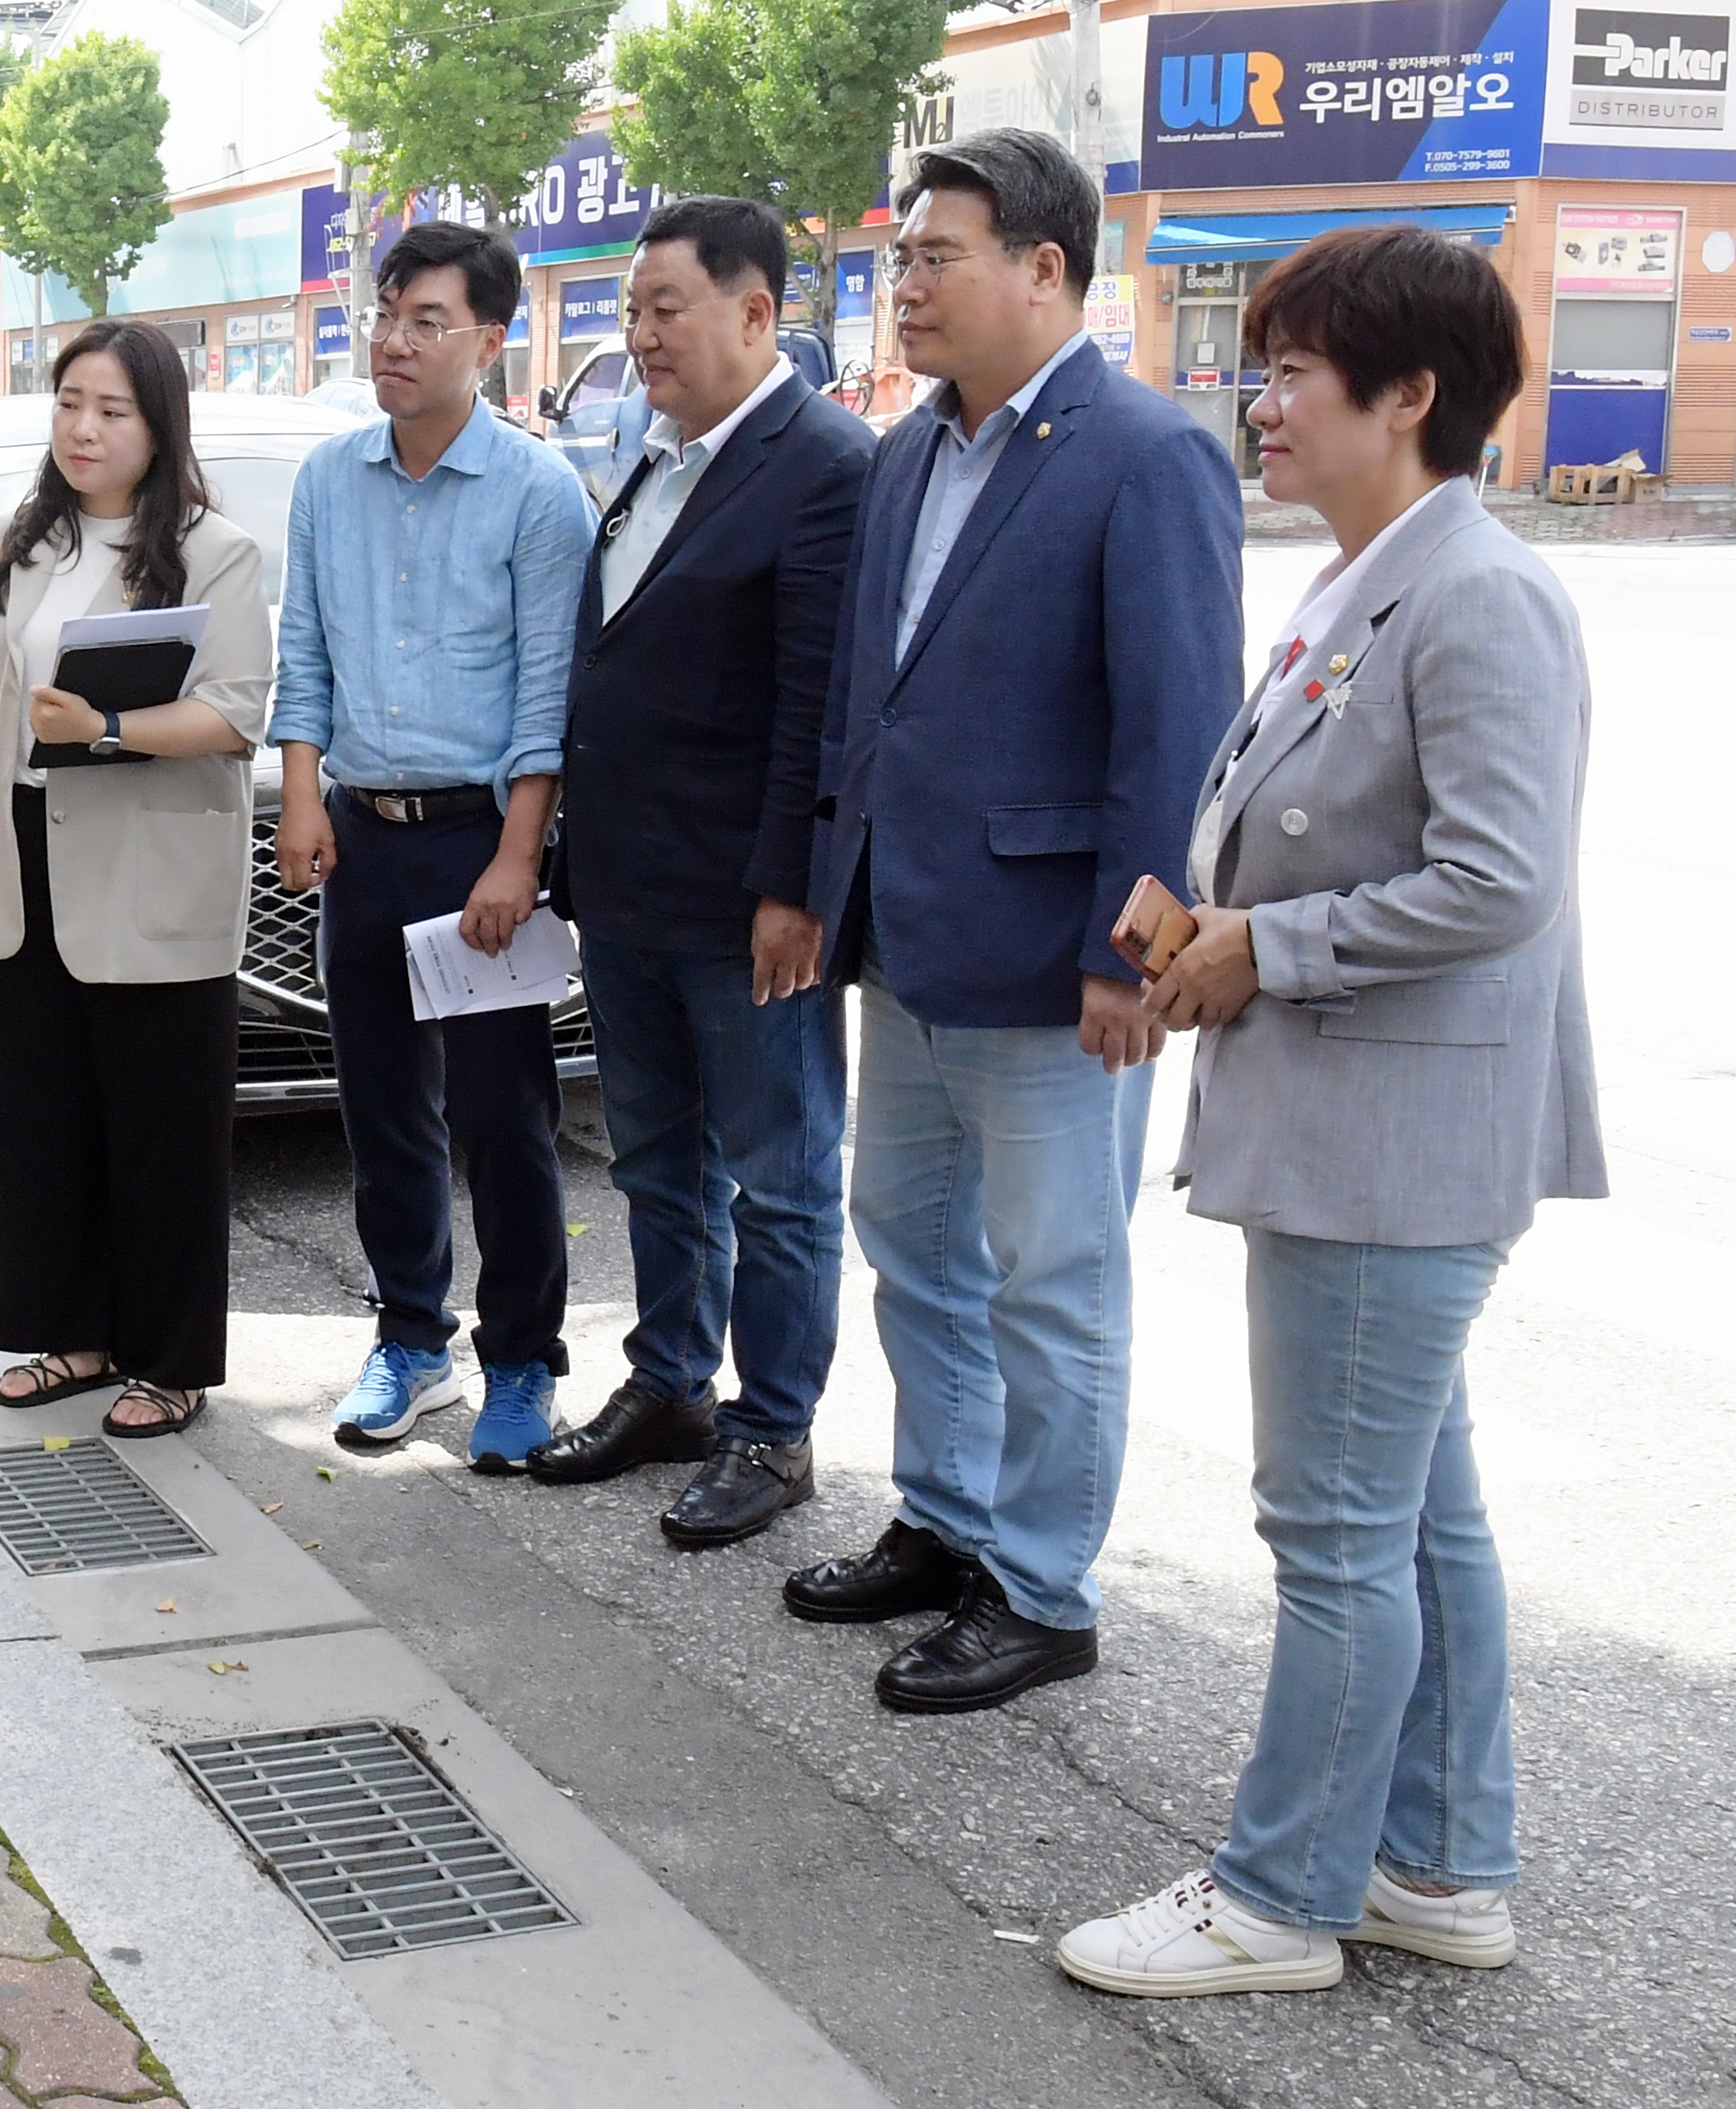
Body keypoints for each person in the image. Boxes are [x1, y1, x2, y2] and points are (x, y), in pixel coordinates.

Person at [1057, 225, 1602, 1996]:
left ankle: (1282, 1895)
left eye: (1291, 370)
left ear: (1411, 395)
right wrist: (1202, 931)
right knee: (1416, 1515)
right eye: (1263, 365)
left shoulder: (1478, 592)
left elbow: (1498, 882)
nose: (1258, 399)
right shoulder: (1370, 574)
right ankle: (1439, 1863)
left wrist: (1263, 949)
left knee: (1339, 1537)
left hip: (1396, 1145)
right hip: (1357, 1127)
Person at [795, 127, 1242, 1713]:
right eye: (897, 258)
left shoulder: (1144, 452)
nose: (900, 285)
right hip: (907, 938)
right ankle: (949, 1516)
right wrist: (816, 893)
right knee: (911, 1241)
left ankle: (1043, 1587)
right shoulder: (910, 448)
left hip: (1061, 963)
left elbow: (1178, 734)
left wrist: (1135, 953)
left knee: (1052, 1275)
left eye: (933, 257)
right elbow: (869, 701)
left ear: (1043, 270)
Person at [530, 198, 868, 1546]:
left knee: (783, 1177)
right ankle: (671, 1380)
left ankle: (773, 1428)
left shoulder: (825, 461)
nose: (640, 332)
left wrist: (794, 890)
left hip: (747, 906)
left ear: (754, 310)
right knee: (658, 1161)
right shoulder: (653, 454)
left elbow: (817, 704)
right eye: (631, 306)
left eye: (666, 305)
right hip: (627, 884)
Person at [273, 220, 596, 1468]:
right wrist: (304, 793)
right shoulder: (328, 478)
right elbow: (304, 653)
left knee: (506, 1119)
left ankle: (522, 1364)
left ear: (490, 340)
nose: (394, 342)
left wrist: (519, 857)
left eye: (427, 321)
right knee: (381, 1110)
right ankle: (412, 1339)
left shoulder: (536, 493)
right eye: (386, 313)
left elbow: (544, 698)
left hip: (480, 845)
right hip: (362, 836)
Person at [0, 321, 273, 1439]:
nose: (84, 427)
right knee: (41, 1114)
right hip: (24, 856)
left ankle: (170, 1362)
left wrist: (109, 726)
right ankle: (68, 1334)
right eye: (70, 401)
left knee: (160, 1123)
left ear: (159, 424)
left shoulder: (218, 553)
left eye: (112, 409)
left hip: (152, 869)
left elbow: (234, 716)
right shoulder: (20, 541)